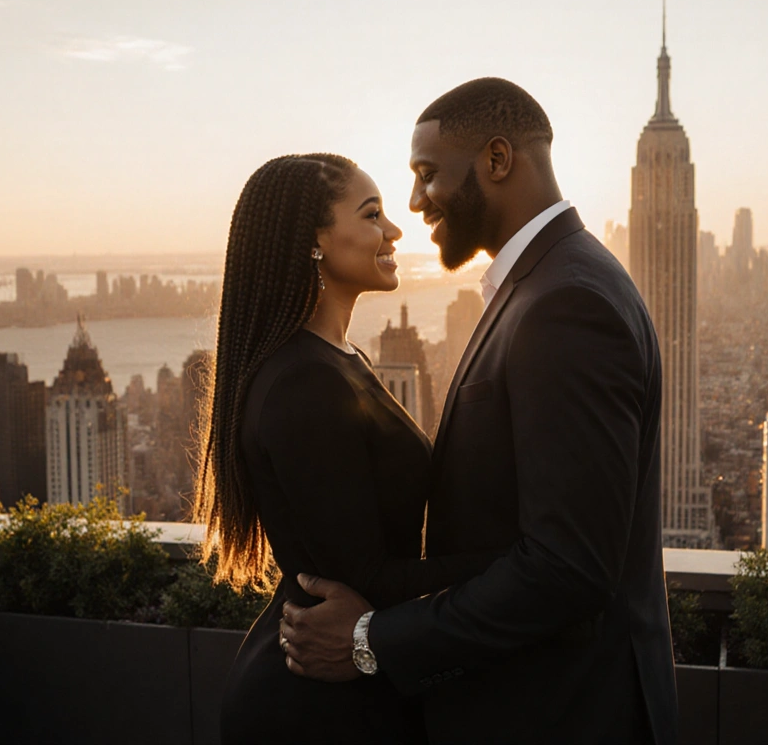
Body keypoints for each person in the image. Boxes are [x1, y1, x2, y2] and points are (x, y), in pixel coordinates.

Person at [279, 78, 682, 744]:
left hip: (562, 717)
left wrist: (371, 641)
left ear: (497, 160)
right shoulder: (548, 284)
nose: (415, 202)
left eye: (427, 174)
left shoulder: (565, 303)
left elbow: (566, 568)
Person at [195, 153, 501, 744]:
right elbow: (362, 577)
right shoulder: (303, 382)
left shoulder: (337, 358)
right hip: (315, 706)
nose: (394, 230)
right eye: (372, 215)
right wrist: (519, 560)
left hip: (344, 682)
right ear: (315, 242)